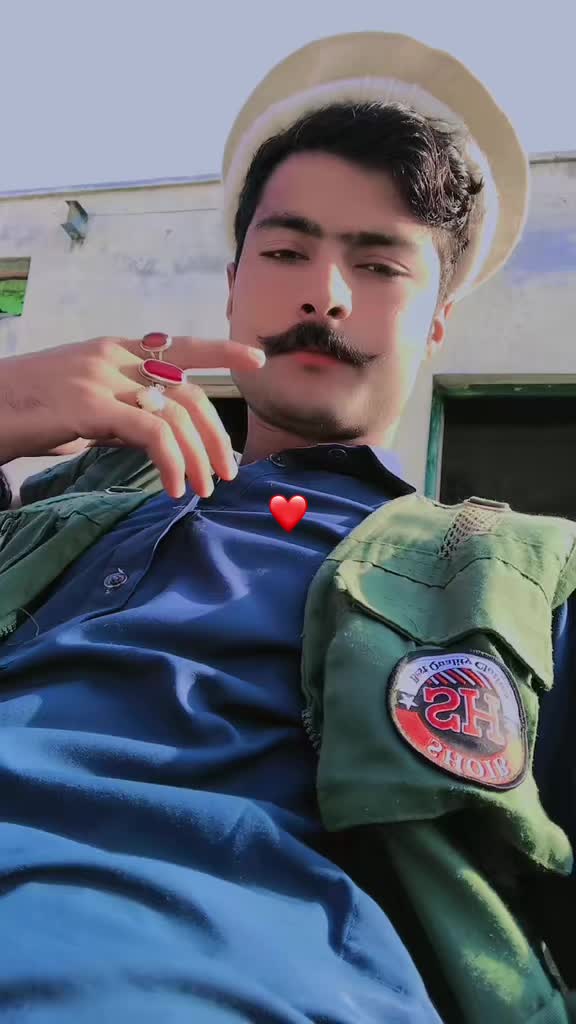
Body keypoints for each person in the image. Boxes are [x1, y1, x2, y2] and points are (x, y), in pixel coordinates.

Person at [0, 30, 574, 1024]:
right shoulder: (62, 500)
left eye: (380, 264)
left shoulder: (513, 578)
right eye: (285, 252)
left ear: (438, 323)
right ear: (232, 282)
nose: (326, 294)